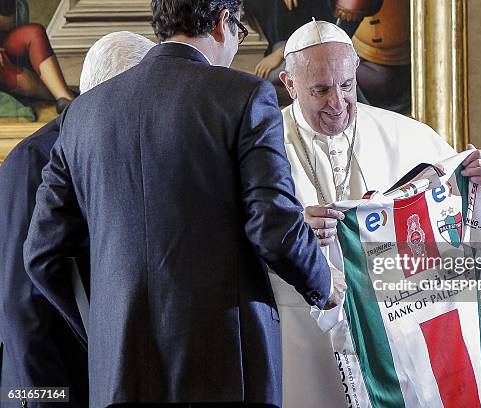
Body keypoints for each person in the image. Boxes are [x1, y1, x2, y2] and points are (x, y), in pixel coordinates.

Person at [23, 1, 336, 407]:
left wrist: (104, 331)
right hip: (225, 370)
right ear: (224, 21)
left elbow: (41, 254)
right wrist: (324, 284)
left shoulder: (82, 113)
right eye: (239, 31)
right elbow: (273, 228)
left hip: (118, 377)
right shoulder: (243, 95)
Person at [271, 20, 481, 407]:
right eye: (320, 90)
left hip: (394, 337)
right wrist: (292, 234)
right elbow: (233, 242)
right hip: (301, 336)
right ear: (290, 84)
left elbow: (457, 229)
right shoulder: (261, 148)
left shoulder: (408, 135)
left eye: (346, 85)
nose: (337, 102)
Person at [0, 31, 156, 408]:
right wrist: (45, 400)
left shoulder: (121, 148)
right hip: (50, 385)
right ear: (116, 94)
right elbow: (19, 306)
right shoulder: (31, 161)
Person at [0, 0, 75, 113]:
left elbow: (10, 19)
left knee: (34, 33)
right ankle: (70, 100)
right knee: (6, 68)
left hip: (4, 40)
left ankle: (64, 97)